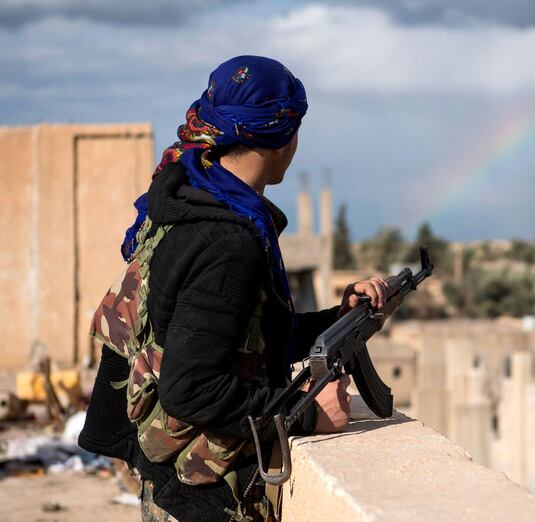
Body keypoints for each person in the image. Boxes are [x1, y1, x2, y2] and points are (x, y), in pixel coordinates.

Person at [79, 56, 387, 521]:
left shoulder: (192, 197)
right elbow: (192, 390)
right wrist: (304, 414)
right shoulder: (228, 242)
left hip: (176, 488)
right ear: (283, 138)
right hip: (203, 499)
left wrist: (341, 318)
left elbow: (243, 339)